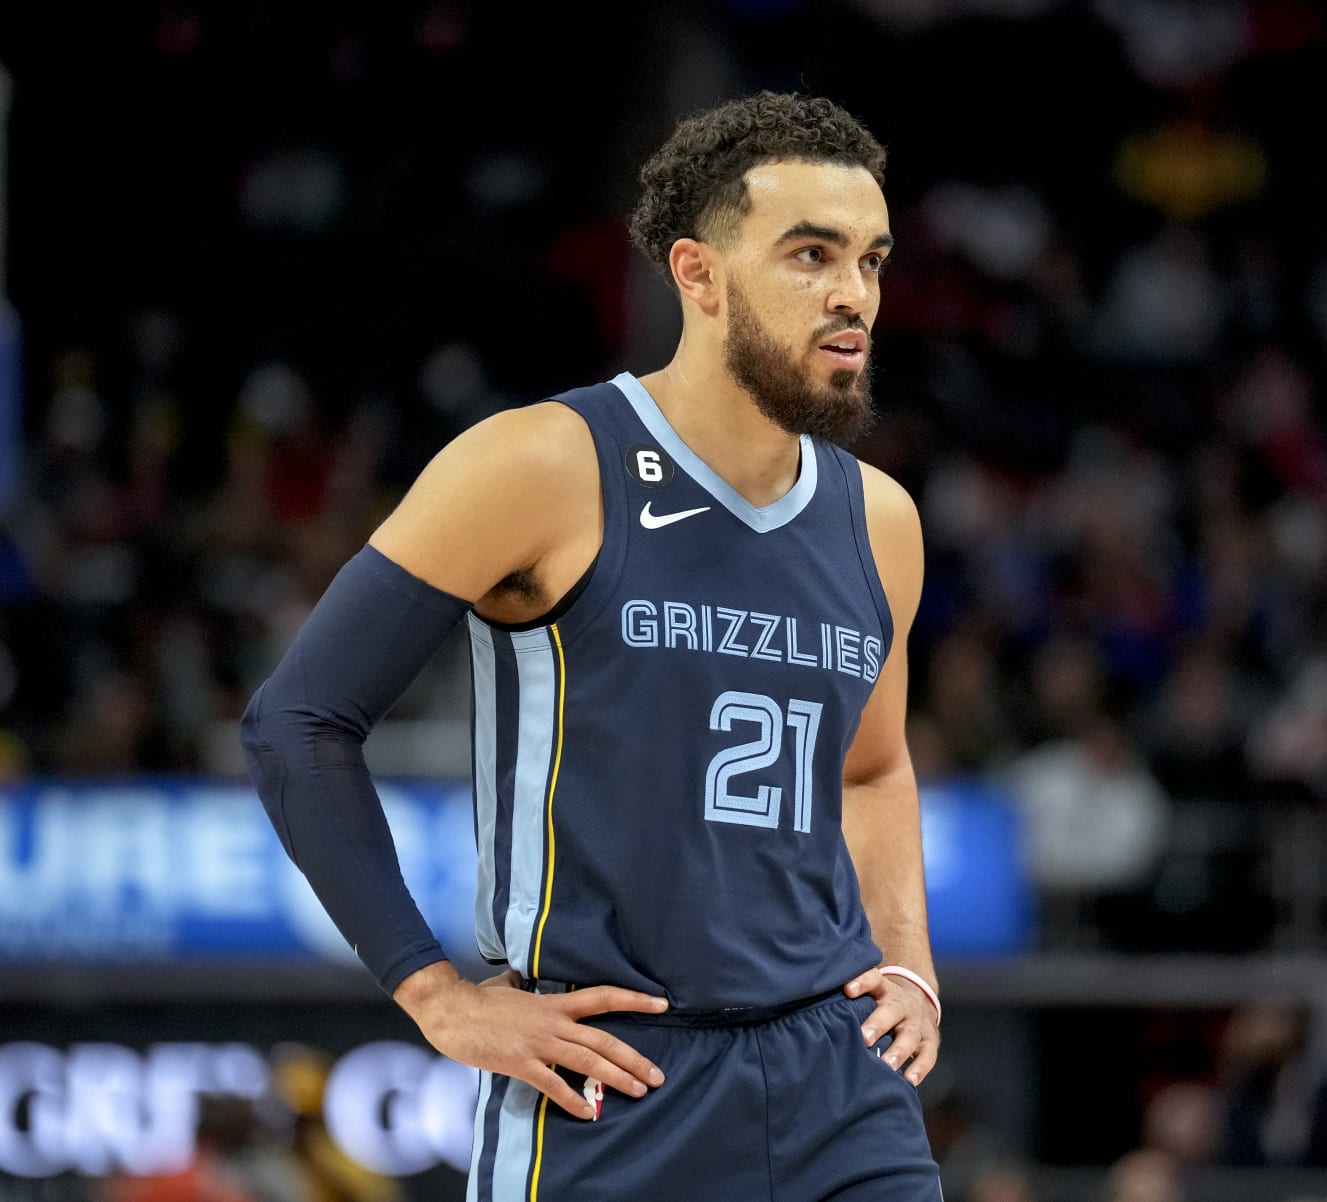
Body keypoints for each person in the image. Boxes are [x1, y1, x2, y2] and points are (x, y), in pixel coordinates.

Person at [240, 91, 942, 1201]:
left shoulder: (882, 520)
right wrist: (433, 990)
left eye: (872, 258)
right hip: (609, 1082)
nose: (854, 293)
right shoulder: (542, 464)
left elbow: (873, 765)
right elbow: (297, 721)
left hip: (836, 1080)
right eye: (811, 254)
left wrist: (907, 956)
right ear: (696, 274)